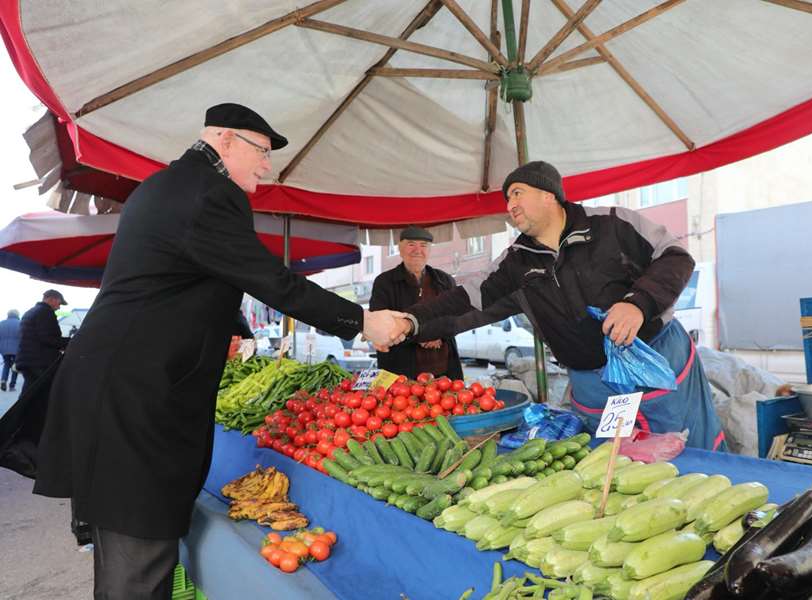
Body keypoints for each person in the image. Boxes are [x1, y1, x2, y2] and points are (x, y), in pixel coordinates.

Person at [32, 103, 407, 600]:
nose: (266, 165)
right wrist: (362, 320)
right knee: (138, 564)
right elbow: (269, 278)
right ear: (224, 140)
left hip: (113, 389)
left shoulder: (167, 186)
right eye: (262, 151)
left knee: (122, 551)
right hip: (138, 398)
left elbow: (188, 282)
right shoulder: (209, 193)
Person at [400, 161, 726, 451]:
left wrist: (638, 304)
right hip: (593, 386)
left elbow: (675, 257)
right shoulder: (515, 263)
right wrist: (411, 324)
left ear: (549, 194)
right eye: (507, 198)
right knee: (615, 472)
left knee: (688, 453)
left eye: (517, 193)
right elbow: (468, 303)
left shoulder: (612, 224)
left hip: (659, 364)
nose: (510, 204)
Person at [369, 226, 464, 380]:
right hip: (401, 371)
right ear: (400, 248)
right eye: (411, 244)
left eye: (424, 245)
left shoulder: (445, 280)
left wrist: (439, 335)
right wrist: (422, 335)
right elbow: (380, 324)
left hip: (445, 370)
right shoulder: (384, 282)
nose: (417, 250)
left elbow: (457, 318)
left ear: (429, 250)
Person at [16, 290, 67, 396]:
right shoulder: (45, 312)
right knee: (41, 395)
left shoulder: (30, 311)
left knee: (29, 394)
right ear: (51, 299)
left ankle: (24, 413)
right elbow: (48, 338)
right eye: (59, 303)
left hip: (28, 360)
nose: (59, 307)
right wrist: (70, 342)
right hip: (40, 362)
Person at [0, 309, 21, 392]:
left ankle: (3, 380)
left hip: (3, 349)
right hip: (16, 349)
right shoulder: (20, 323)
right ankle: (12, 385)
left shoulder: (1, 323)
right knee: (15, 367)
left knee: (6, 364)